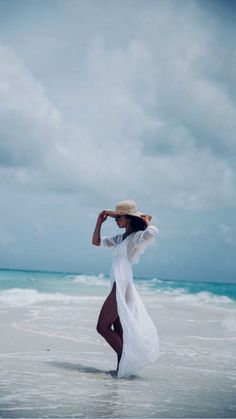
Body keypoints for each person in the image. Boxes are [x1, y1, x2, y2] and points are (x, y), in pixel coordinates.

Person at [92, 200, 159, 378]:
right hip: (118, 284)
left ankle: (127, 362)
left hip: (122, 285)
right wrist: (100, 221)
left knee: (102, 327)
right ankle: (123, 369)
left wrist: (145, 220)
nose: (116, 220)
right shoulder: (120, 238)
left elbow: (153, 232)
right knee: (118, 328)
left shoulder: (136, 237)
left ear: (128, 219)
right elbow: (96, 242)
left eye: (118, 217)